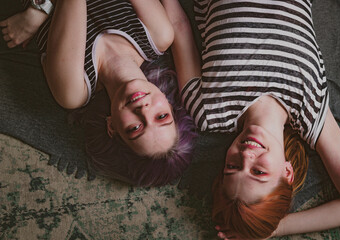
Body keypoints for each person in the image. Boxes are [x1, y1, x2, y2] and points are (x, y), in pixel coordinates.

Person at [161, 0, 340, 239]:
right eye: (258, 172)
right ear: (287, 173)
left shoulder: (207, 112)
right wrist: (276, 228)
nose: (245, 155)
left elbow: (179, 26)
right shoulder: (311, 112)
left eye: (232, 167)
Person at [0, 0, 196, 186]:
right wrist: (39, 11)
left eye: (135, 128)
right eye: (161, 116)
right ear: (169, 104)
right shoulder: (159, 34)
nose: (143, 110)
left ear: (111, 127)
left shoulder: (73, 90)